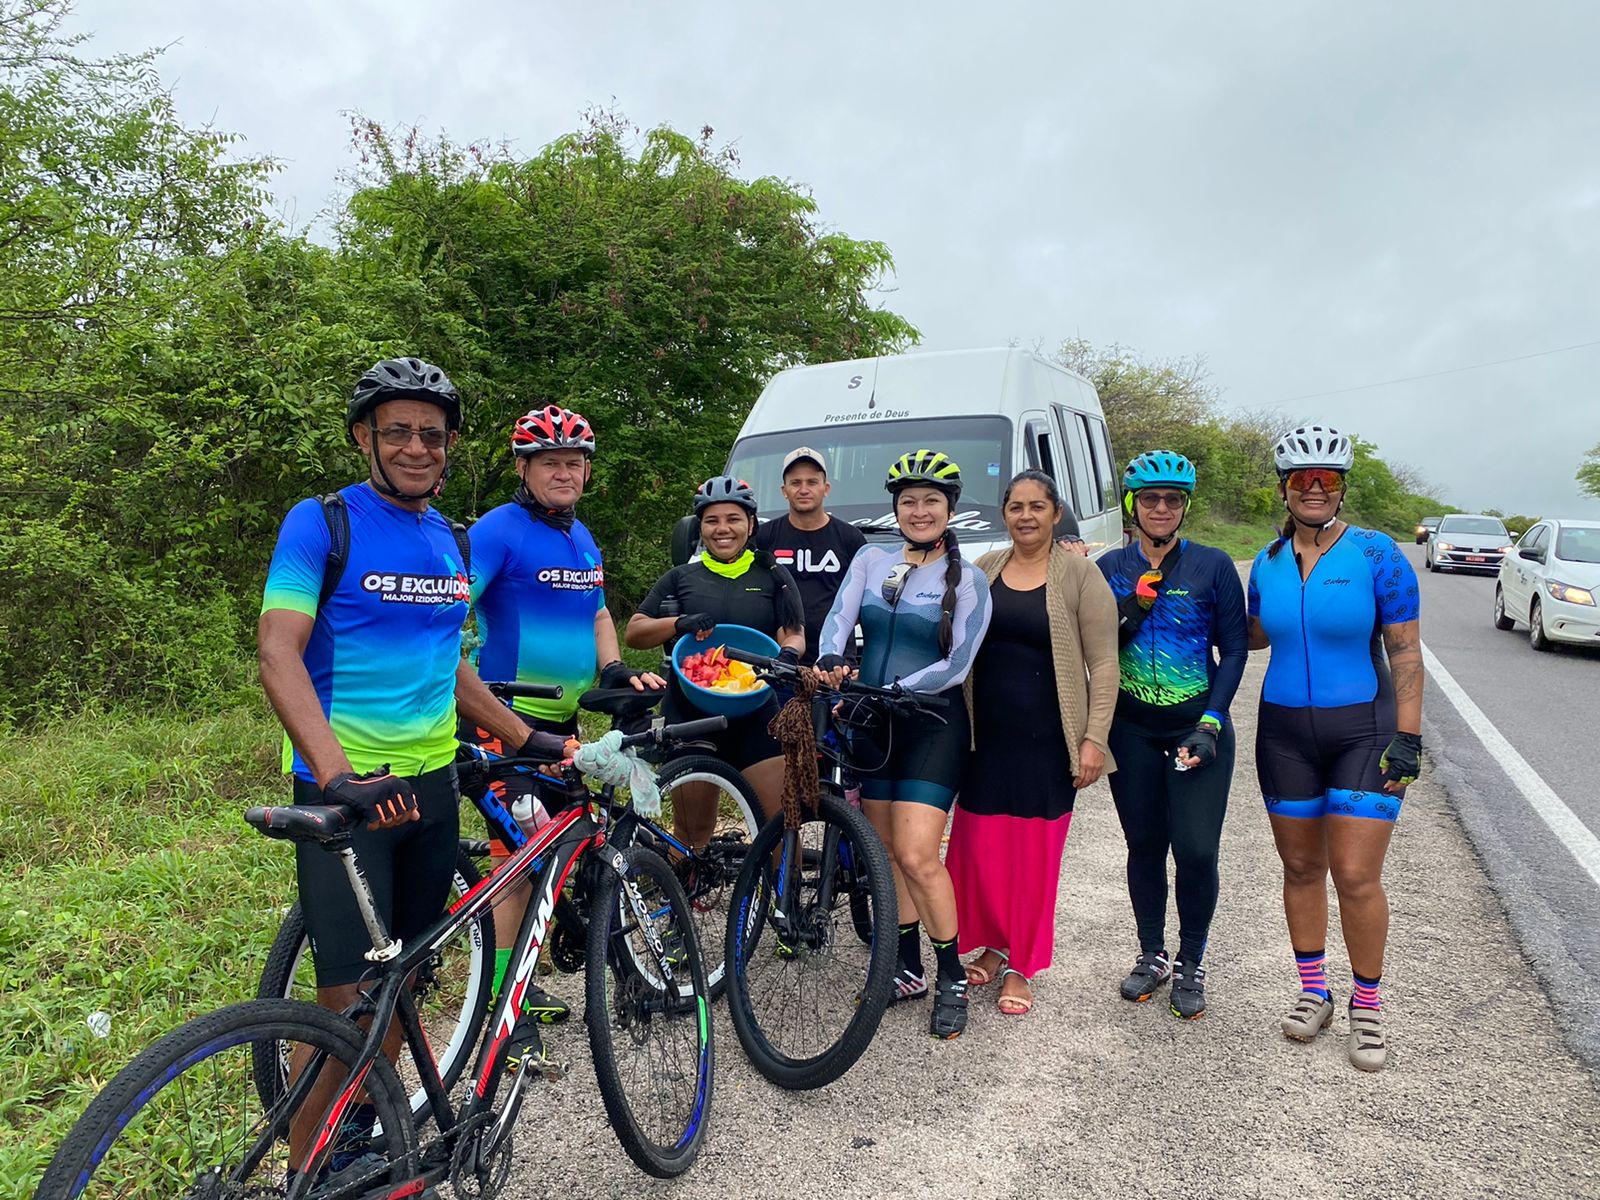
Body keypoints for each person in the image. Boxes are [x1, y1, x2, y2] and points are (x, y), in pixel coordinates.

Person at [258, 357, 568, 1185]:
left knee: (406, 977)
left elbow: (449, 666)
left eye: (432, 434)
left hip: (430, 790)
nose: (415, 446)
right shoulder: (323, 524)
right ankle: (307, 1175)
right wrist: (333, 775)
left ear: (452, 445)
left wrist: (520, 735)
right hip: (353, 790)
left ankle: (363, 1127)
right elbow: (277, 652)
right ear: (364, 436)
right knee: (345, 1007)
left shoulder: (450, 539)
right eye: (396, 431)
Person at [468, 402, 664, 1020]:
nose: (563, 472)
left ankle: (526, 974)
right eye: (549, 462)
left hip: (565, 723)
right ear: (523, 468)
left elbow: (600, 614)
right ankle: (504, 1000)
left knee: (550, 849)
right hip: (508, 719)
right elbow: (448, 606)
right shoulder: (498, 530)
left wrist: (612, 670)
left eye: (573, 462)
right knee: (516, 861)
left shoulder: (580, 537)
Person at [1246, 424, 1422, 1072]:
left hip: (1365, 730)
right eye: (1301, 479)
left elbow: (1404, 650)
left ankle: (1367, 1004)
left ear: (1341, 488)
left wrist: (1409, 737)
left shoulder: (1378, 554)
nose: (1314, 489)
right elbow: (1258, 635)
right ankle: (1314, 992)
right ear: (1285, 489)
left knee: (1354, 874)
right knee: (1299, 869)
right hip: (1284, 732)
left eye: (1327, 480)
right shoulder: (1264, 563)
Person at [816, 449, 992, 1039]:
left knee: (918, 854)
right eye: (909, 501)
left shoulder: (966, 579)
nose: (919, 511)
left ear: (949, 510)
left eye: (931, 501)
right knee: (889, 855)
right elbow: (838, 620)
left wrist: (889, 688)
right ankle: (909, 967)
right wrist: (832, 660)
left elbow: (956, 663)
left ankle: (952, 976)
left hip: (930, 725)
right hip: (873, 719)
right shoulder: (871, 558)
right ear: (896, 508)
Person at [949, 470, 1119, 1016]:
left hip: (1047, 741)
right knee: (982, 848)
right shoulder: (985, 569)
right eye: (1016, 506)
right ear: (1004, 512)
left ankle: (1023, 962)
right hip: (985, 738)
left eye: (1037, 506)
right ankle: (995, 947)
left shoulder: (1080, 575)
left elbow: (1105, 663)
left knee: (1034, 856)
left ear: (1055, 512)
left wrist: (1093, 739)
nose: (1026, 516)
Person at [1097, 450, 1248, 1021]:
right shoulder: (1110, 566)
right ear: (1133, 505)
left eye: (1173, 500)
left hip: (1196, 727)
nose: (1162, 508)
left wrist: (1211, 723)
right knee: (1144, 847)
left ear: (1185, 507)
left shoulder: (1211, 566)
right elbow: (1096, 644)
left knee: (1195, 848)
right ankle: (1151, 953)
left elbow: (1233, 649)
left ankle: (1192, 960)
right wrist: (1132, 606)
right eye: (1151, 498)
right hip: (1132, 728)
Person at [625, 476, 805, 845]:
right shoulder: (681, 576)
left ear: (751, 524)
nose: (723, 529)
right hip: (691, 714)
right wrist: (677, 622)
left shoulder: (771, 574)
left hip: (757, 711)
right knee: (693, 834)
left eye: (733, 518)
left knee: (781, 826)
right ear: (699, 528)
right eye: (712, 520)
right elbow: (634, 631)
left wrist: (787, 655)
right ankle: (685, 898)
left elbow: (794, 631)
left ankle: (783, 903)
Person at [752, 446, 867, 664]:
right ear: (784, 490)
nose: (804, 489)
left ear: (826, 488)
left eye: (812, 482)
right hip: (778, 658)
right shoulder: (765, 537)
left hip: (835, 661)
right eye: (796, 483)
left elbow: (866, 605)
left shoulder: (850, 538)